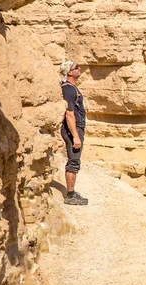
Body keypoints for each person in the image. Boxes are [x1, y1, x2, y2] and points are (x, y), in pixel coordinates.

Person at [59, 60, 88, 205]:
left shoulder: (72, 88)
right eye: (76, 67)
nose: (79, 69)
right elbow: (69, 114)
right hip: (73, 129)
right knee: (74, 160)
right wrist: (76, 135)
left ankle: (72, 192)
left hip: (76, 128)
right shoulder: (69, 89)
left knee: (75, 159)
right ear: (69, 72)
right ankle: (70, 196)